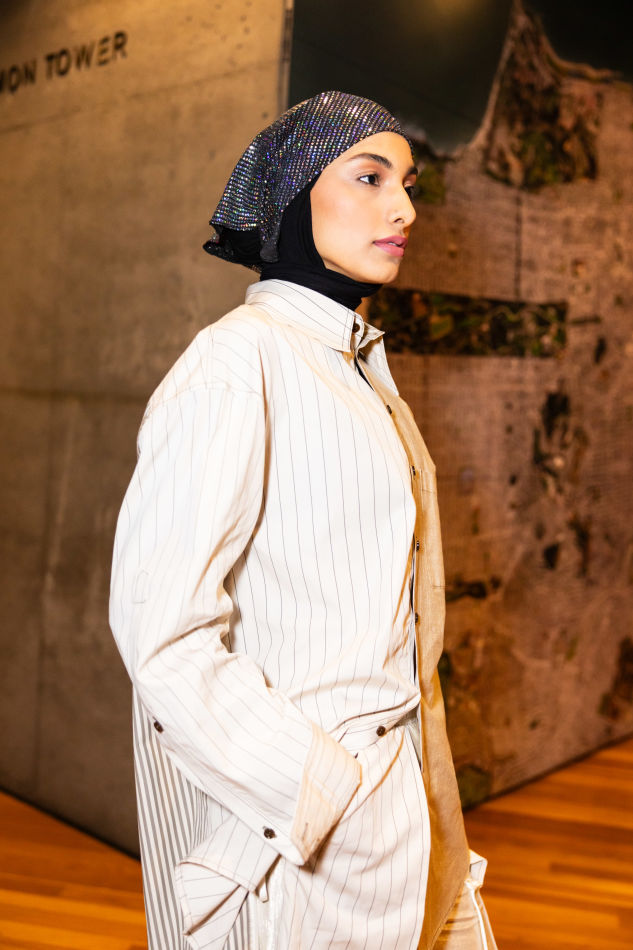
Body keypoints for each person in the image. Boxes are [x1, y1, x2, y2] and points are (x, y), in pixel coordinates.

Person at [109, 91, 497, 950]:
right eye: (368, 177)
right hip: (305, 841)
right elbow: (161, 631)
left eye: (407, 184)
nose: (404, 208)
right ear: (291, 193)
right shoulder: (234, 364)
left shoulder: (354, 367)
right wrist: (321, 789)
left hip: (406, 806)